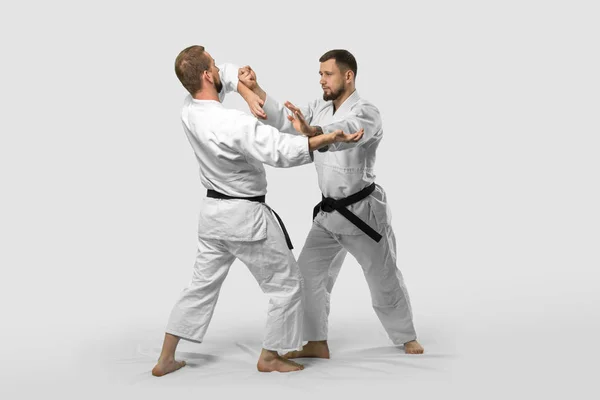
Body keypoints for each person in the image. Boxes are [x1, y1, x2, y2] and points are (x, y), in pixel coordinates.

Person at [151, 45, 364, 377]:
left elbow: (225, 72)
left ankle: (165, 357)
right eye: (213, 65)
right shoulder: (232, 123)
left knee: (199, 286)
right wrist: (321, 140)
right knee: (288, 283)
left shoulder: (188, 109)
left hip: (212, 217)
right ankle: (270, 356)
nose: (221, 69)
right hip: (244, 219)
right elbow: (279, 151)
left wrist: (248, 92)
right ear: (207, 75)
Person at [237, 49, 425, 357]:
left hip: (363, 215)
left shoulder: (367, 111)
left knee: (383, 278)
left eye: (328, 74)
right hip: (328, 215)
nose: (321, 80)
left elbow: (350, 129)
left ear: (348, 76)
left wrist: (316, 133)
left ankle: (406, 335)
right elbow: (287, 120)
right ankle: (316, 342)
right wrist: (256, 90)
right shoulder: (319, 108)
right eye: (320, 74)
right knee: (307, 277)